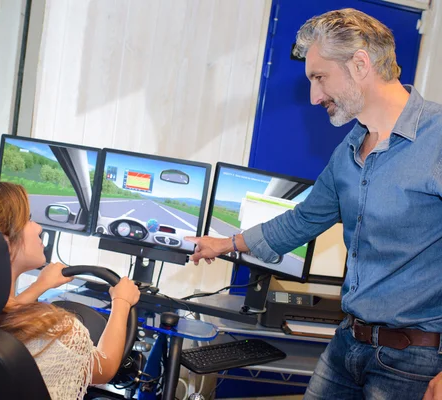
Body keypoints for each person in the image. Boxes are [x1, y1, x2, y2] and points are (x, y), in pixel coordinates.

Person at [186, 8, 442, 400]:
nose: (314, 96)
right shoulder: (351, 147)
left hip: (414, 361)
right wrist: (226, 244)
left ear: (360, 65)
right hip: (348, 343)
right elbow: (305, 219)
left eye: (319, 78)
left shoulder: (437, 139)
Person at [0, 181, 140, 400]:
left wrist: (40, 286)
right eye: (28, 219)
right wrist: (122, 301)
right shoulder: (54, 330)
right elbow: (105, 367)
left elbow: (4, 316)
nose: (38, 227)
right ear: (3, 245)